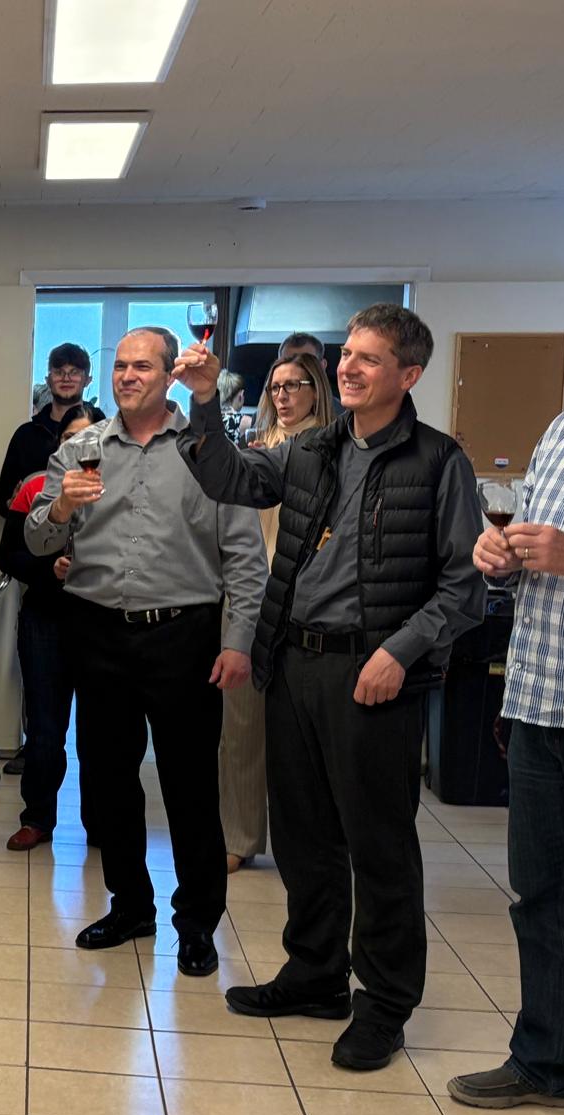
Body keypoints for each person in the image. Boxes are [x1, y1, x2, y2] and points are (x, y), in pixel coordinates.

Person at [179, 303, 485, 1071]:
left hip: (376, 676)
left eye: (369, 358)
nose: (348, 367)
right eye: (347, 353)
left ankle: (384, 1005)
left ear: (408, 375)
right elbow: (228, 477)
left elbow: (464, 588)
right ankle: (316, 976)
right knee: (304, 837)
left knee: (378, 848)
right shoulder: (309, 450)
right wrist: (207, 400)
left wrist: (400, 652)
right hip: (296, 665)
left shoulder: (439, 461)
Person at [25, 326, 265, 978]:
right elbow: (38, 541)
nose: (128, 376)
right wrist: (58, 510)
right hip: (96, 632)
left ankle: (197, 924)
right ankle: (130, 905)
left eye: (142, 366)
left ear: (169, 376)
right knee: (108, 782)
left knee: (189, 785)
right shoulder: (79, 450)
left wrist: (237, 641)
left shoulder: (208, 453)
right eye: (121, 367)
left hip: (184, 635)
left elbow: (246, 557)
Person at [451, 278, 564, 1111]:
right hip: (541, 700)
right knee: (541, 898)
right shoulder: (561, 430)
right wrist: (496, 556)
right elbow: (528, 544)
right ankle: (547, 1060)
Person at [219, 353, 335, 874]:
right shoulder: (254, 447)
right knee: (240, 725)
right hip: (248, 594)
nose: (283, 396)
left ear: (317, 390)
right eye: (275, 386)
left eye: (294, 385)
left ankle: (304, 841)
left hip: (305, 599)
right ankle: (238, 834)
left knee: (300, 733)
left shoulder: (333, 448)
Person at [0, 403, 103, 850]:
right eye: (68, 439)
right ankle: (38, 817)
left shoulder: (117, 490)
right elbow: (9, 556)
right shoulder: (35, 487)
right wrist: (49, 569)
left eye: (87, 439)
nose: (77, 447)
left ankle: (100, 823)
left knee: (100, 730)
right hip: (45, 618)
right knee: (44, 729)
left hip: (101, 622)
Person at [3, 344, 99, 519]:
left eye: (74, 372)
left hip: (90, 529)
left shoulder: (101, 432)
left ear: (87, 380)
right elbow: (4, 502)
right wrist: (14, 502)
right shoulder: (25, 435)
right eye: (59, 372)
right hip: (32, 530)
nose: (66, 378)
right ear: (48, 380)